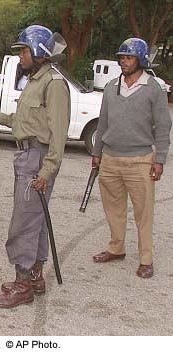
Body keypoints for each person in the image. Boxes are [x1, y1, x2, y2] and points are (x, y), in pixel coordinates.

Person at [0, 25, 70, 308]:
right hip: (28, 156)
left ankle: (22, 287)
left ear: (38, 51)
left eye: (23, 50)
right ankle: (35, 277)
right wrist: (2, 118)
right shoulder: (36, 80)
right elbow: (32, 122)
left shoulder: (53, 84)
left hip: (38, 160)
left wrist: (47, 171)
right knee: (36, 219)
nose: (20, 56)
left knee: (23, 222)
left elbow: (58, 134)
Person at [91, 38, 172, 278]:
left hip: (140, 160)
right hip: (111, 158)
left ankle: (146, 258)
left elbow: (162, 127)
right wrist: (97, 153)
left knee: (142, 211)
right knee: (113, 208)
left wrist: (160, 159)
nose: (124, 62)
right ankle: (116, 248)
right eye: (122, 57)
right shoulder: (111, 86)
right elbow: (103, 121)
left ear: (142, 60)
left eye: (129, 57)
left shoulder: (153, 88)